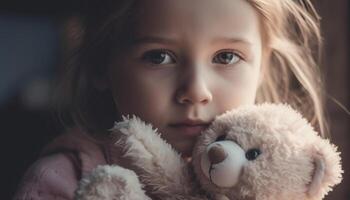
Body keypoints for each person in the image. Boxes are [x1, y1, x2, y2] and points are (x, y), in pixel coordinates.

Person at [13, 0, 327, 199]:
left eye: (227, 56)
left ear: (263, 66)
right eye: (159, 56)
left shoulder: (281, 179)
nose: (196, 90)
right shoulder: (63, 181)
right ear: (101, 64)